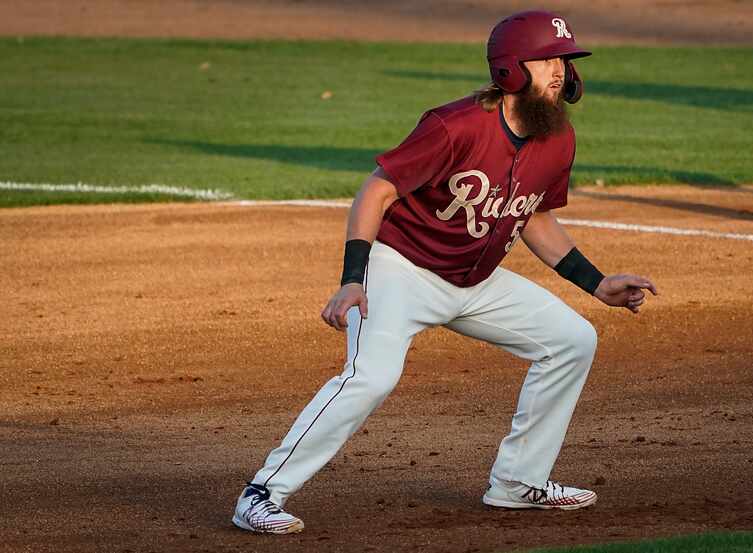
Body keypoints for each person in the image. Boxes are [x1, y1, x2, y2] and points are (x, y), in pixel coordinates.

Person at [232, 10, 657, 534]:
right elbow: (378, 189)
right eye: (548, 59)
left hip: (475, 282)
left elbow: (533, 215)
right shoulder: (455, 125)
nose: (560, 72)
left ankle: (518, 483)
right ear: (511, 70)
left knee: (572, 339)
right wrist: (353, 277)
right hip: (401, 271)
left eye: (565, 61)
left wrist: (597, 282)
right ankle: (261, 494)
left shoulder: (558, 140)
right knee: (372, 376)